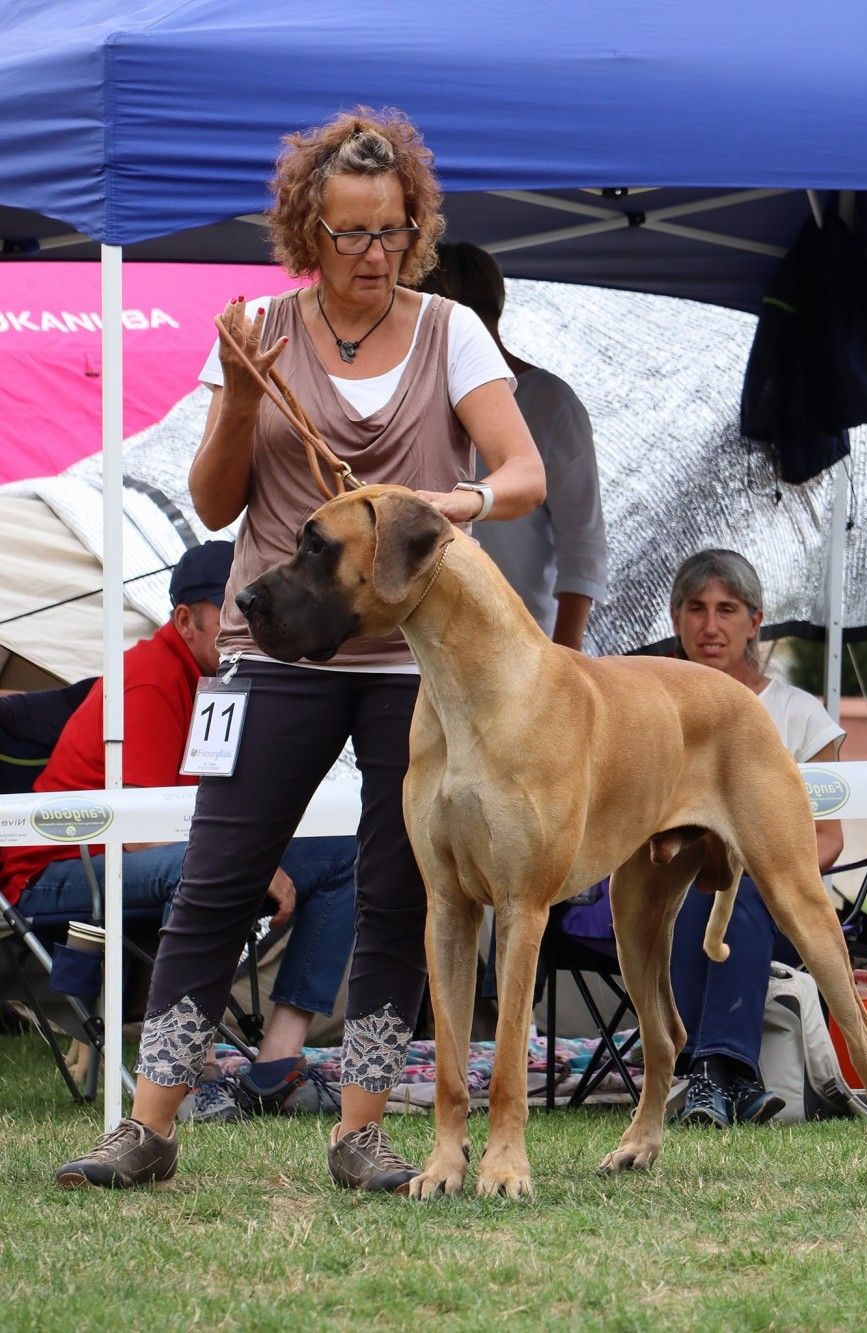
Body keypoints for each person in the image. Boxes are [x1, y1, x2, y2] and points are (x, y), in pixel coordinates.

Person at [56, 107, 544, 1192]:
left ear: (416, 224)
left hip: (413, 662)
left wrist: (451, 502)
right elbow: (212, 501)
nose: (375, 254)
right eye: (350, 233)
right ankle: (149, 1126)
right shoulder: (257, 333)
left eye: (393, 230)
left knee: (399, 890)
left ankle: (359, 1132)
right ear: (305, 232)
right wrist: (238, 395)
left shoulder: (453, 330)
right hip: (270, 646)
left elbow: (523, 473)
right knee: (217, 880)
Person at [4, 541, 357, 1119]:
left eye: (255, 606)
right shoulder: (148, 678)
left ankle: (278, 1063)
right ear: (185, 620)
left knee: (344, 852)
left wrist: (261, 850)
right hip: (56, 871)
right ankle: (192, 1073)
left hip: (166, 855)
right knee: (203, 864)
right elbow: (140, 829)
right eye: (233, 610)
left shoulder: (227, 679)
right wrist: (253, 859)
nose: (249, 623)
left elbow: (228, 810)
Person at [668, 548, 845, 1128]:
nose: (710, 625)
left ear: (755, 621)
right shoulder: (655, 709)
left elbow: (829, 839)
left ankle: (708, 1073)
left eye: (727, 609)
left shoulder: (800, 716)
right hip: (676, 906)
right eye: (696, 608)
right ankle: (732, 1079)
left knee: (737, 880)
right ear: (676, 618)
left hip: (781, 914)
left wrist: (769, 873)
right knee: (706, 884)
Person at [419, 242, 607, 649]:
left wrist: (565, 655)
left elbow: (583, 544)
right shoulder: (415, 399)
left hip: (521, 646)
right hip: (425, 644)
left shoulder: (551, 401)